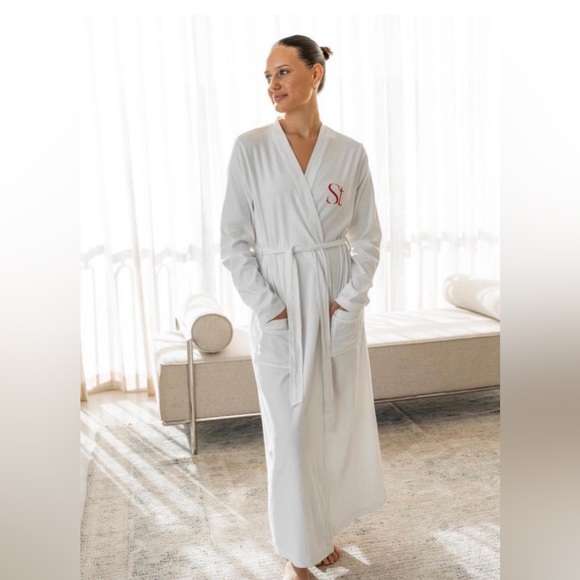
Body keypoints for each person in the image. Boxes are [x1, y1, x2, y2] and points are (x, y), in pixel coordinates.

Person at [220, 34, 387, 580]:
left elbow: (368, 239)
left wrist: (348, 303)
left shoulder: (349, 153)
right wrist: (269, 308)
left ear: (315, 74)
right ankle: (298, 549)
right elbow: (233, 243)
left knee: (333, 422)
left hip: (334, 297)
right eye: (268, 76)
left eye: (283, 72)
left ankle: (320, 528)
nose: (273, 85)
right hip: (281, 298)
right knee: (291, 431)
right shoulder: (250, 148)